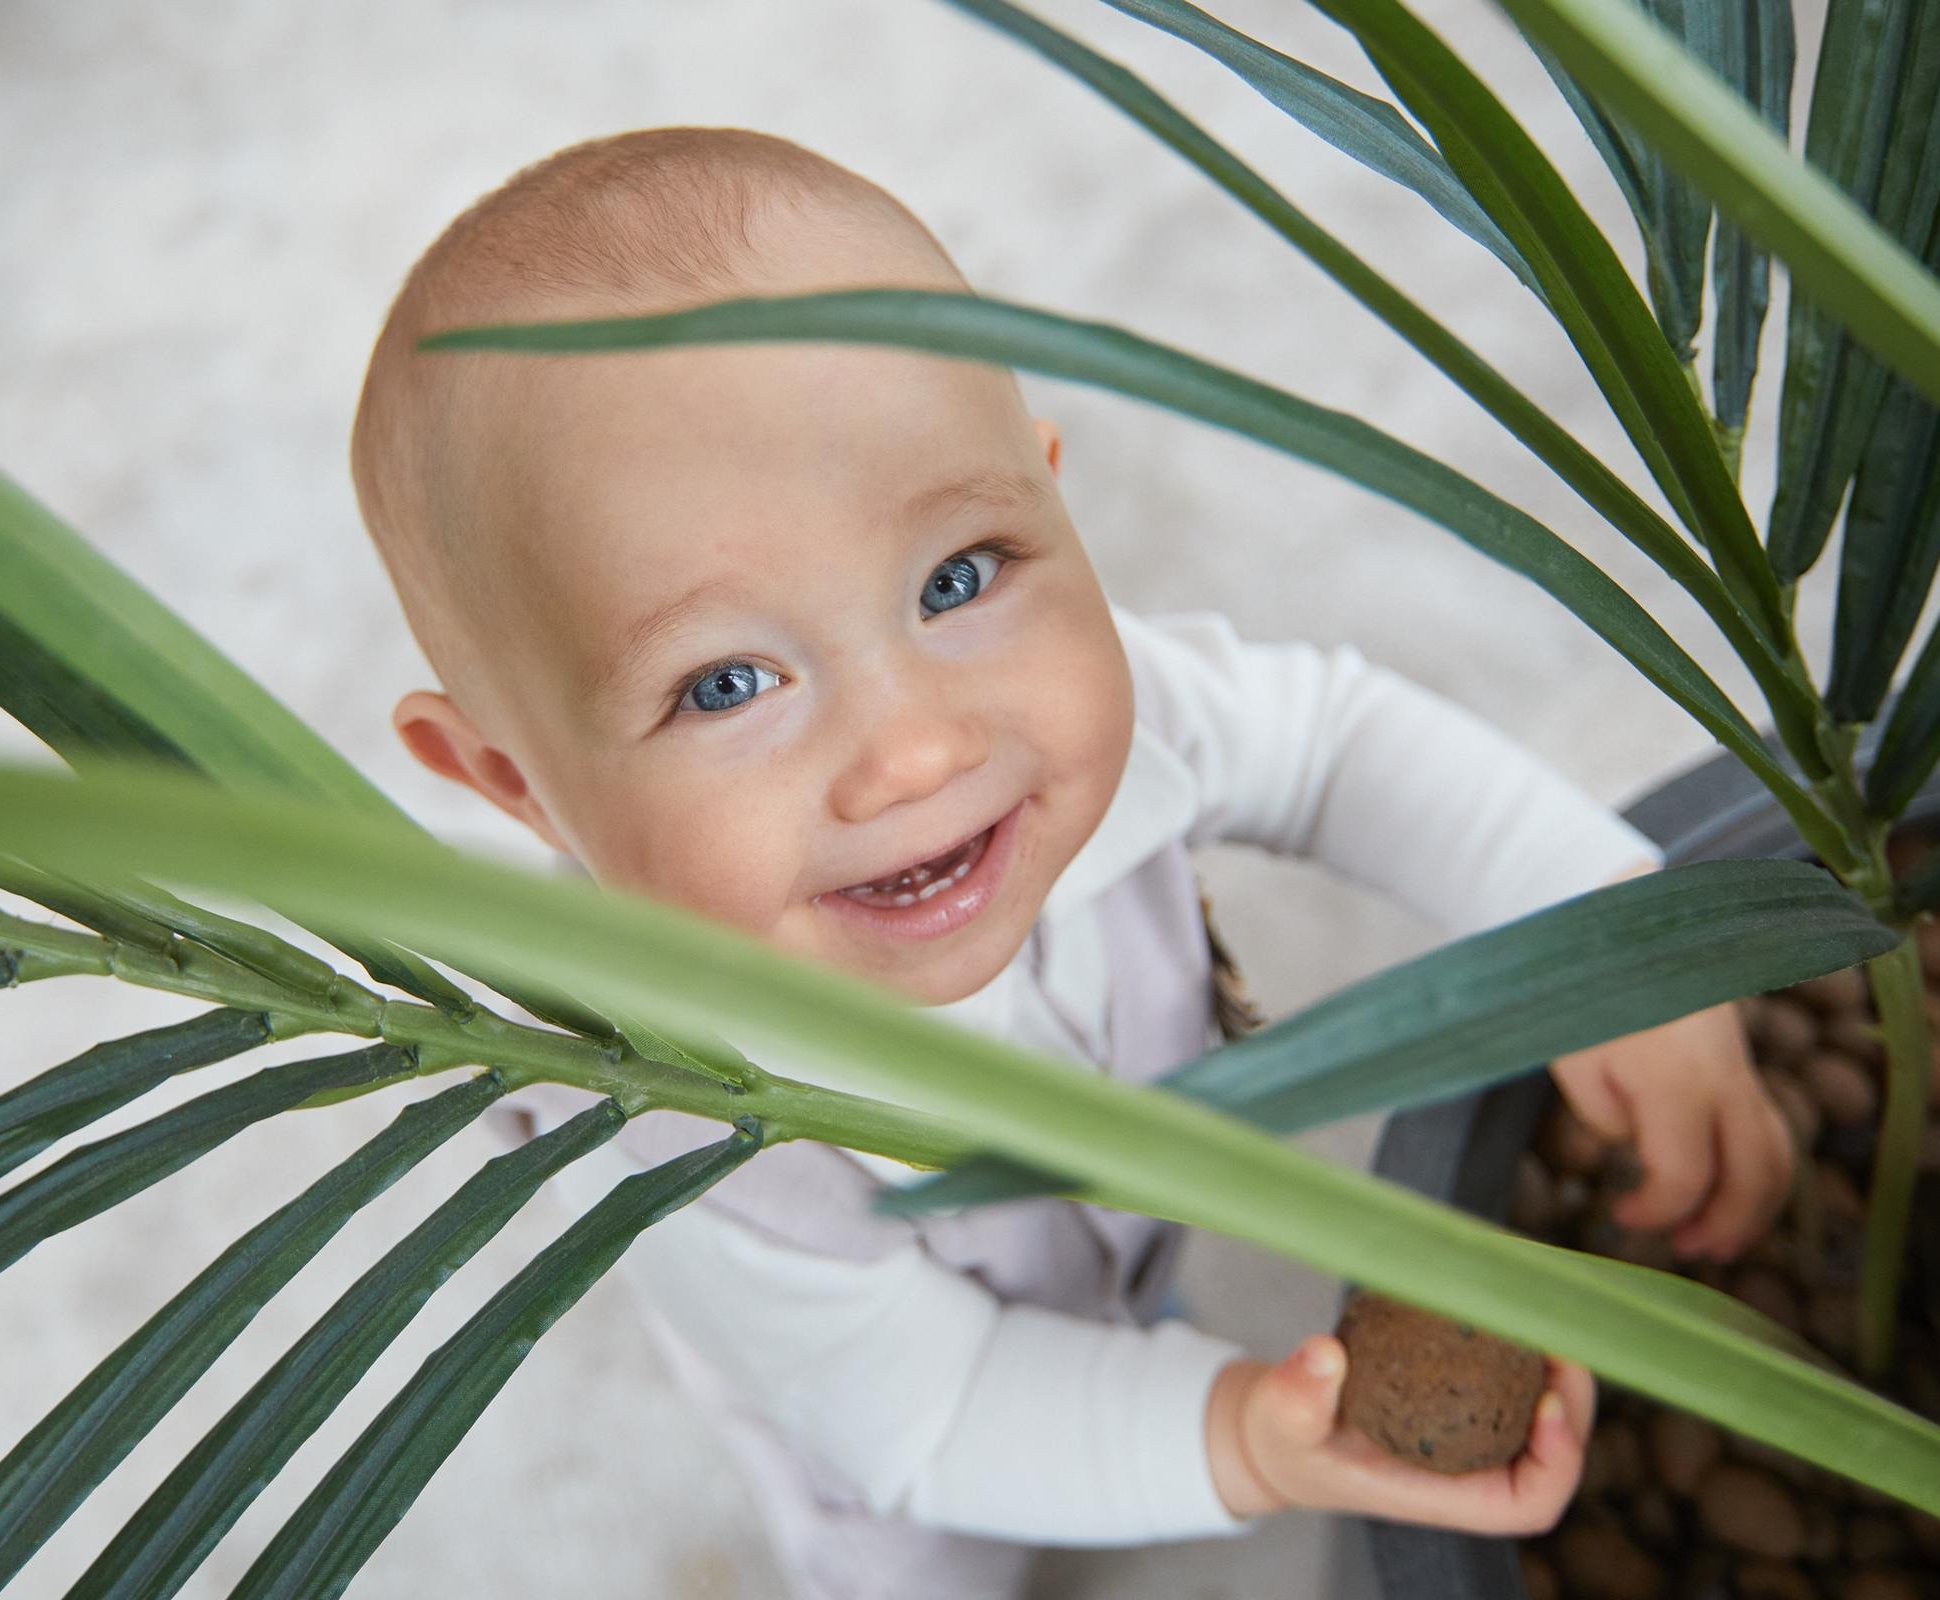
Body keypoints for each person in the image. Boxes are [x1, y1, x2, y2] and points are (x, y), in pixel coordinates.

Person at [350, 127, 1793, 1600]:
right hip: (902, 1459)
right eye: (726, 685)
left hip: (1126, 1218)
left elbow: (1341, 744)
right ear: (512, 780)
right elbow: (935, 1411)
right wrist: (1235, 1435)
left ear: (1048, 499)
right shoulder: (682, 1126)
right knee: (934, 1565)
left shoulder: (1117, 715)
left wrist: (1614, 934)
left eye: (955, 579)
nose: (916, 751)